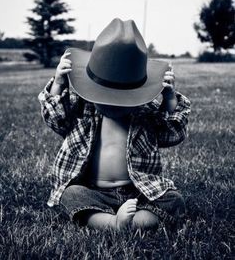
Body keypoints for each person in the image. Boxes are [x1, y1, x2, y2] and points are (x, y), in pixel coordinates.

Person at [38, 18, 191, 230]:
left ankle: (136, 222)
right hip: (92, 190)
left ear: (139, 94)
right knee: (70, 194)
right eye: (105, 97)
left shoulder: (145, 115)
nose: (113, 105)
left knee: (174, 200)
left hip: (139, 191)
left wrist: (169, 99)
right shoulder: (82, 109)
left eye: (123, 100)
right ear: (90, 90)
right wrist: (58, 85)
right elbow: (56, 119)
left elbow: (172, 134)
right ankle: (112, 223)